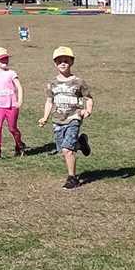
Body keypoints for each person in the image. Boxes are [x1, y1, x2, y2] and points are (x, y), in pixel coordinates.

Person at [38, 46, 93, 190]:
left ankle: (72, 178)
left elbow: (88, 97)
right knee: (63, 147)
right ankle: (81, 143)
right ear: (55, 63)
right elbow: (49, 101)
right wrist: (45, 117)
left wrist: (87, 110)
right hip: (57, 120)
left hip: (74, 117)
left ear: (72, 62)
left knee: (67, 150)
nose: (63, 63)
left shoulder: (79, 82)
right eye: (59, 61)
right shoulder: (52, 83)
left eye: (66, 61)